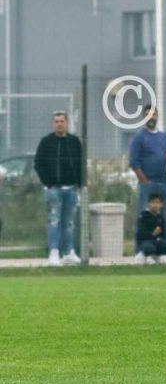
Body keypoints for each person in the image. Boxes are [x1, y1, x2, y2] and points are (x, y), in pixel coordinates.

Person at [34, 111, 83, 267]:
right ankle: (54, 252)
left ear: (66, 123)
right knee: (54, 220)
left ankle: (69, 252)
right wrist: (47, 183)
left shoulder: (74, 142)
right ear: (53, 124)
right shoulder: (46, 142)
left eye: (62, 121)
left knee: (69, 222)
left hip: (72, 189)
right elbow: (38, 164)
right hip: (53, 189)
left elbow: (81, 164)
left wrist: (80, 184)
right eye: (56, 121)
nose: (59, 124)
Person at [129, 107, 166, 244]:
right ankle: (142, 248)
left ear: (157, 116)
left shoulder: (164, 137)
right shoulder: (139, 138)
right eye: (147, 114)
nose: (151, 117)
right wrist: (144, 181)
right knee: (143, 216)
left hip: (164, 182)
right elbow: (134, 162)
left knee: (165, 217)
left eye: (153, 114)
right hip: (148, 184)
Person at [134, 193, 166, 264]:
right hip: (144, 241)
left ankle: (160, 257)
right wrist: (152, 234)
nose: (155, 205)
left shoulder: (160, 217)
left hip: (155, 241)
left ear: (161, 204)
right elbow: (140, 234)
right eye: (153, 202)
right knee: (149, 248)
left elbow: (163, 234)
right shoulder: (143, 215)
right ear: (149, 204)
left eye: (157, 202)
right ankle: (141, 257)